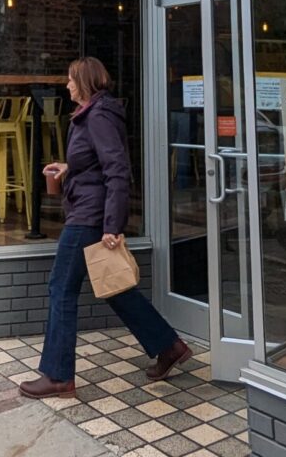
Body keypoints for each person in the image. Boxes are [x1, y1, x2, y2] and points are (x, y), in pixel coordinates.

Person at [19, 56, 191, 399]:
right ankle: (169, 346)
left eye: (71, 79)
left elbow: (117, 170)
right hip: (91, 210)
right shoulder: (92, 113)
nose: (67, 84)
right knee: (114, 287)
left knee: (61, 288)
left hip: (90, 216)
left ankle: (58, 376)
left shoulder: (98, 116)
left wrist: (113, 225)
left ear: (84, 82)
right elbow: (97, 162)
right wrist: (69, 167)